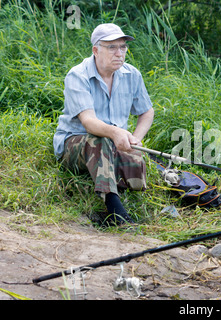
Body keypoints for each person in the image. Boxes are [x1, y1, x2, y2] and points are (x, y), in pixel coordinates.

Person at [53, 23, 154, 226]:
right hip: (76, 143)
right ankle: (115, 212)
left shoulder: (132, 74)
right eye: (112, 47)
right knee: (100, 141)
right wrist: (116, 133)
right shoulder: (78, 75)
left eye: (123, 47)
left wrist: (135, 139)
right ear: (96, 50)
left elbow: (147, 111)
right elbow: (89, 122)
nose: (119, 53)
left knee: (136, 163)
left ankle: (114, 186)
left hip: (112, 142)